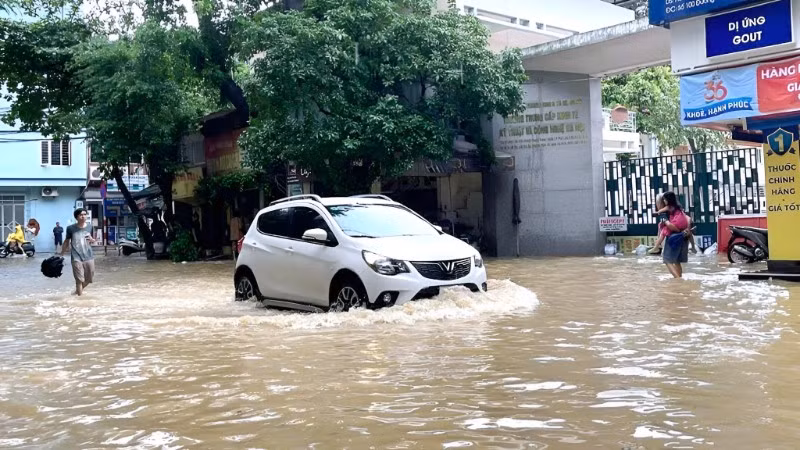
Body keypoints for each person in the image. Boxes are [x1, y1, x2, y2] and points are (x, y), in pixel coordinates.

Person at [61, 208, 96, 296]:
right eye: (81, 215)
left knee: (89, 279)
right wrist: (62, 254)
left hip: (89, 255)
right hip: (76, 256)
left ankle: (77, 292)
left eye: (84, 214)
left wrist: (92, 240)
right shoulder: (70, 228)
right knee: (79, 280)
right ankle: (80, 300)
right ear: (76, 217)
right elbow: (66, 241)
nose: (83, 216)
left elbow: (93, 239)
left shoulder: (90, 227)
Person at [660, 191, 691, 279]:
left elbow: (671, 226)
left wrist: (665, 220)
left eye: (665, 200)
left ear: (668, 200)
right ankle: (680, 278)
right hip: (683, 236)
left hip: (674, 238)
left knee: (667, 260)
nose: (664, 201)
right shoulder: (680, 209)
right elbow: (688, 219)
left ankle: (677, 279)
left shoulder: (669, 209)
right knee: (677, 261)